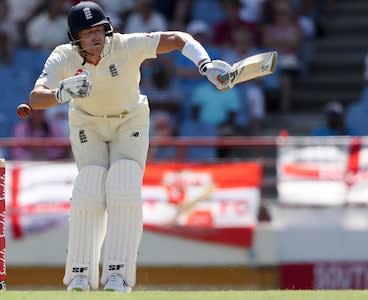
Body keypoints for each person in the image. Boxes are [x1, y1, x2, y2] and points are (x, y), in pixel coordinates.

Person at [16, 1, 231, 292]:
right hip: (87, 123)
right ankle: (80, 275)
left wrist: (205, 65)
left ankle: (118, 274)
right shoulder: (63, 56)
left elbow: (179, 39)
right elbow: (35, 98)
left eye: (99, 30)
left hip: (129, 120)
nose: (95, 37)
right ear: (74, 37)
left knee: (124, 181)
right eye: (87, 32)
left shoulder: (126, 45)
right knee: (90, 185)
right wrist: (60, 92)